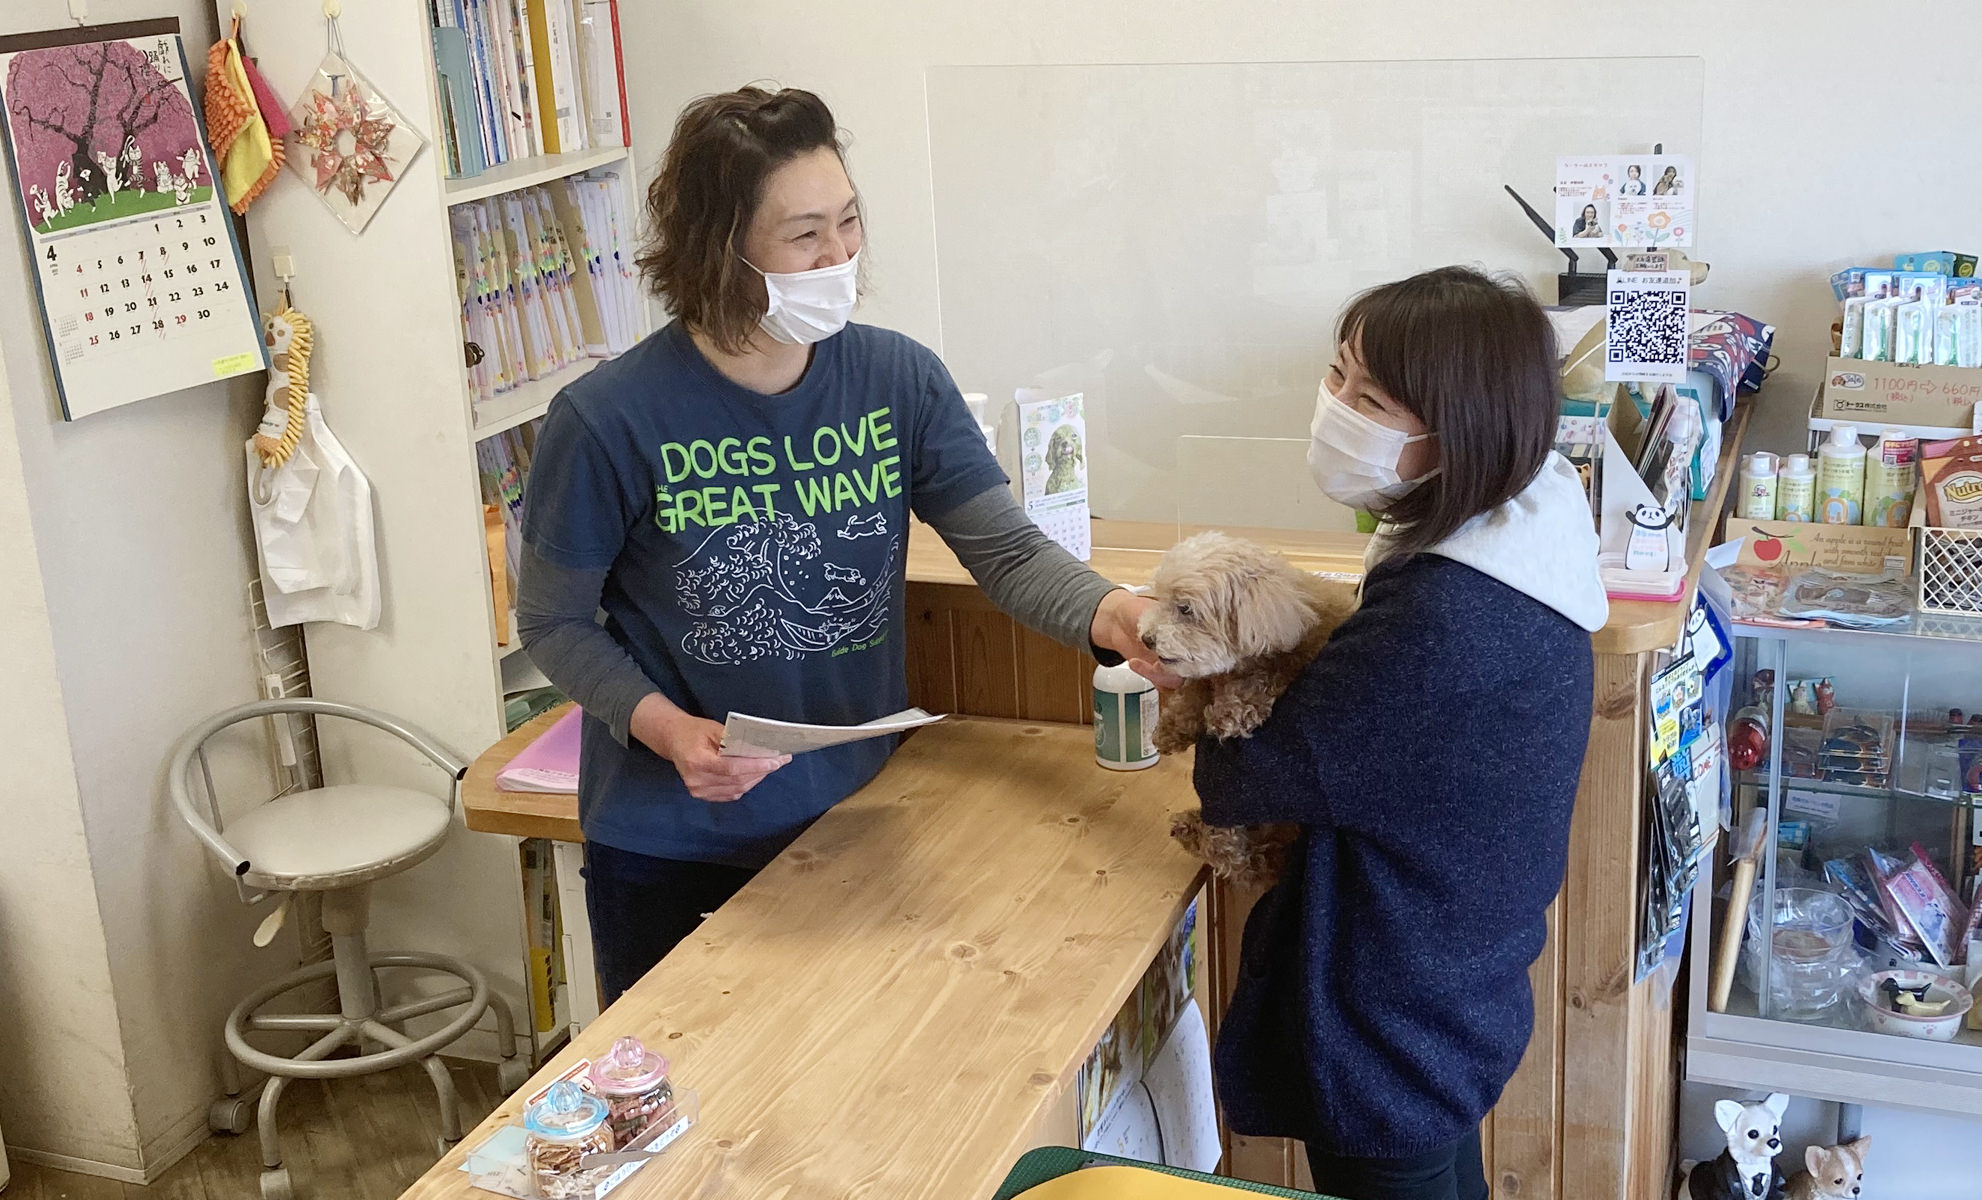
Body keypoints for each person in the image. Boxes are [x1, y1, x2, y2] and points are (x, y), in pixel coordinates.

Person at [516, 86, 1170, 1003]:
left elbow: (1009, 553)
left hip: (855, 814)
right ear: (718, 250)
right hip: (671, 841)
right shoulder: (607, 418)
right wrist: (666, 729)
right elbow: (552, 621)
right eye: (805, 235)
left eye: (850, 221)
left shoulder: (899, 379)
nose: (841, 258)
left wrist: (1116, 613)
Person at [1194, 267, 1606, 1200]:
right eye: (1336, 374)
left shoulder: (1442, 618)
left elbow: (1245, 777)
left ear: (1458, 432)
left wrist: (1207, 677)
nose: (1335, 408)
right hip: (1457, 987)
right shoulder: (1527, 527)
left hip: (1394, 1026)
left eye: (1371, 400)